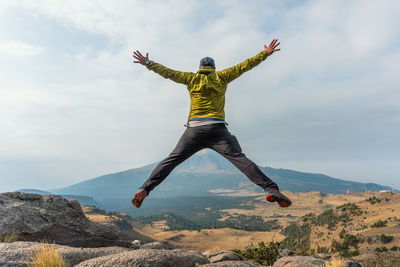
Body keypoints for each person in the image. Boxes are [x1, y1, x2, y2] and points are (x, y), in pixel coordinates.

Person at [131, 39, 291, 209]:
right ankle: (270, 188)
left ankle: (144, 189)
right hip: (217, 130)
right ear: (213, 68)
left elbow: (168, 72)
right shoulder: (222, 77)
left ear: (200, 68)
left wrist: (148, 63)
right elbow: (244, 66)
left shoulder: (191, 78)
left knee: (171, 160)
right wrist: (264, 54)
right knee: (239, 158)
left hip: (193, 131)